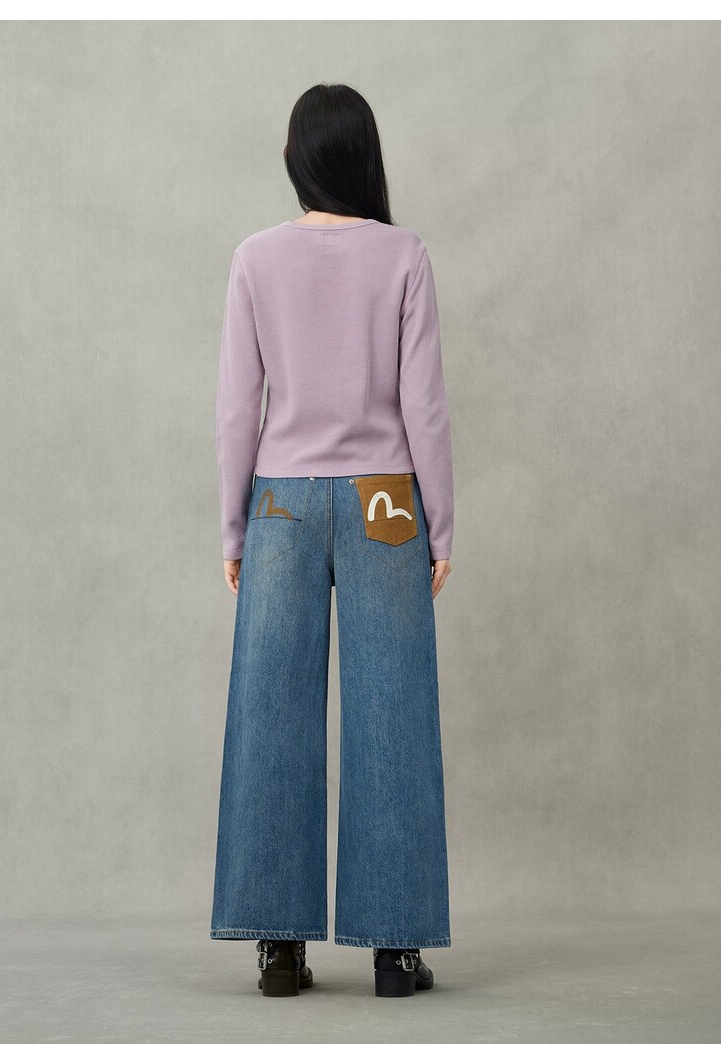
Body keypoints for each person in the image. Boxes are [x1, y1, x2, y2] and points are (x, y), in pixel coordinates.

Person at [209, 82, 454, 999]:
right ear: (365, 158)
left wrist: (233, 525)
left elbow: (238, 407)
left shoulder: (255, 258)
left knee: (271, 710)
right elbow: (424, 405)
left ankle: (278, 949)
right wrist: (440, 524)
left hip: (280, 499)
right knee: (394, 711)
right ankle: (396, 952)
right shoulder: (403, 254)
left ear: (297, 160)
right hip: (387, 496)